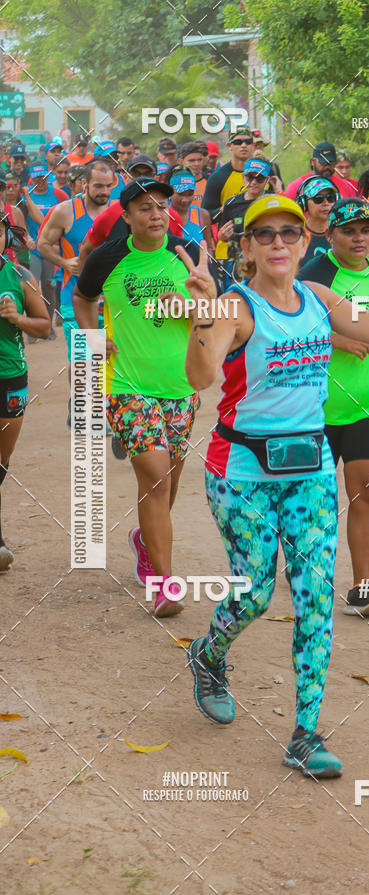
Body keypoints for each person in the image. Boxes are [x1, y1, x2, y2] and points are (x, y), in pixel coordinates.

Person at [181, 193, 369, 777]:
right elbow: (201, 376)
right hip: (241, 472)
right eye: (266, 234)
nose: (279, 242)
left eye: (289, 232)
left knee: (315, 599)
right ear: (249, 247)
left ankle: (306, 734)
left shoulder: (319, 297)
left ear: (305, 243)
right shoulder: (238, 307)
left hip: (309, 470)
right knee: (256, 593)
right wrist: (204, 313)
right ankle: (209, 654)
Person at [72, 178, 202, 617]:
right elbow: (82, 297)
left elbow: (216, 308)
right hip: (127, 383)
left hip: (181, 384)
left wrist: (190, 307)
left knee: (171, 480)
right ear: (126, 216)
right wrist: (91, 337)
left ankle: (144, 542)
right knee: (156, 475)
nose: (156, 214)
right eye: (144, 207)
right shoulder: (107, 258)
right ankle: (165, 584)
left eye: (162, 205)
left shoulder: (190, 254)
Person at [299, 198, 369, 615]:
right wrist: (336, 339)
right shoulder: (313, 274)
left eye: (365, 230)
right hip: (316, 402)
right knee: (311, 499)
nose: (360, 238)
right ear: (329, 235)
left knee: (368, 491)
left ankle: (362, 587)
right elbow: (283, 325)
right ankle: (307, 579)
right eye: (349, 231)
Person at [37, 160, 113, 420]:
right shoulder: (65, 212)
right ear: (84, 184)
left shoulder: (118, 212)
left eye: (108, 186)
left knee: (105, 353)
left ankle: (99, 407)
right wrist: (63, 262)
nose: (104, 192)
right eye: (98, 186)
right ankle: (82, 407)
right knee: (82, 356)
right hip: (75, 295)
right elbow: (43, 243)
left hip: (112, 298)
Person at [0, 214, 51, 570]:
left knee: (0, 464)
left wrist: (18, 320)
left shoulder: (21, 277)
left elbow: (46, 326)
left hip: (10, 377)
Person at [22, 161, 68, 338]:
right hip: (34, 250)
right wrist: (27, 237)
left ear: (48, 177)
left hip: (52, 249)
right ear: (31, 179)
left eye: (43, 177)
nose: (40, 181)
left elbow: (50, 219)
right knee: (32, 287)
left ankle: (48, 327)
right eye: (37, 178)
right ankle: (33, 329)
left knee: (49, 287)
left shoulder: (58, 194)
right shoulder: (26, 196)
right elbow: (21, 221)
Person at [215, 157, 272, 285]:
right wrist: (222, 236)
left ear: (267, 180)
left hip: (266, 262)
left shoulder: (273, 203)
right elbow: (222, 234)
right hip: (239, 265)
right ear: (243, 178)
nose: (253, 182)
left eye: (259, 178)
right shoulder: (231, 203)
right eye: (249, 177)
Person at [202, 127, 254, 262]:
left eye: (248, 142)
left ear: (253, 145)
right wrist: (222, 211)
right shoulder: (218, 177)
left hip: (259, 243)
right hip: (229, 246)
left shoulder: (266, 172)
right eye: (238, 142)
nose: (243, 145)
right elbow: (205, 214)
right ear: (230, 146)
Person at [285, 141, 358, 200]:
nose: (327, 167)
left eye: (331, 163)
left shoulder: (346, 187)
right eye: (323, 163)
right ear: (312, 162)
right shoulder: (296, 187)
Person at [296, 176, 339, 265]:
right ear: (304, 204)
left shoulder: (342, 233)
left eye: (330, 198)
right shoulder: (296, 236)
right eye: (318, 199)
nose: (326, 203)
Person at [168, 167, 213, 252]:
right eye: (180, 194)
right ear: (170, 192)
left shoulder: (202, 215)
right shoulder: (162, 215)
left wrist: (207, 258)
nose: (185, 200)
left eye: (190, 194)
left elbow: (209, 247)